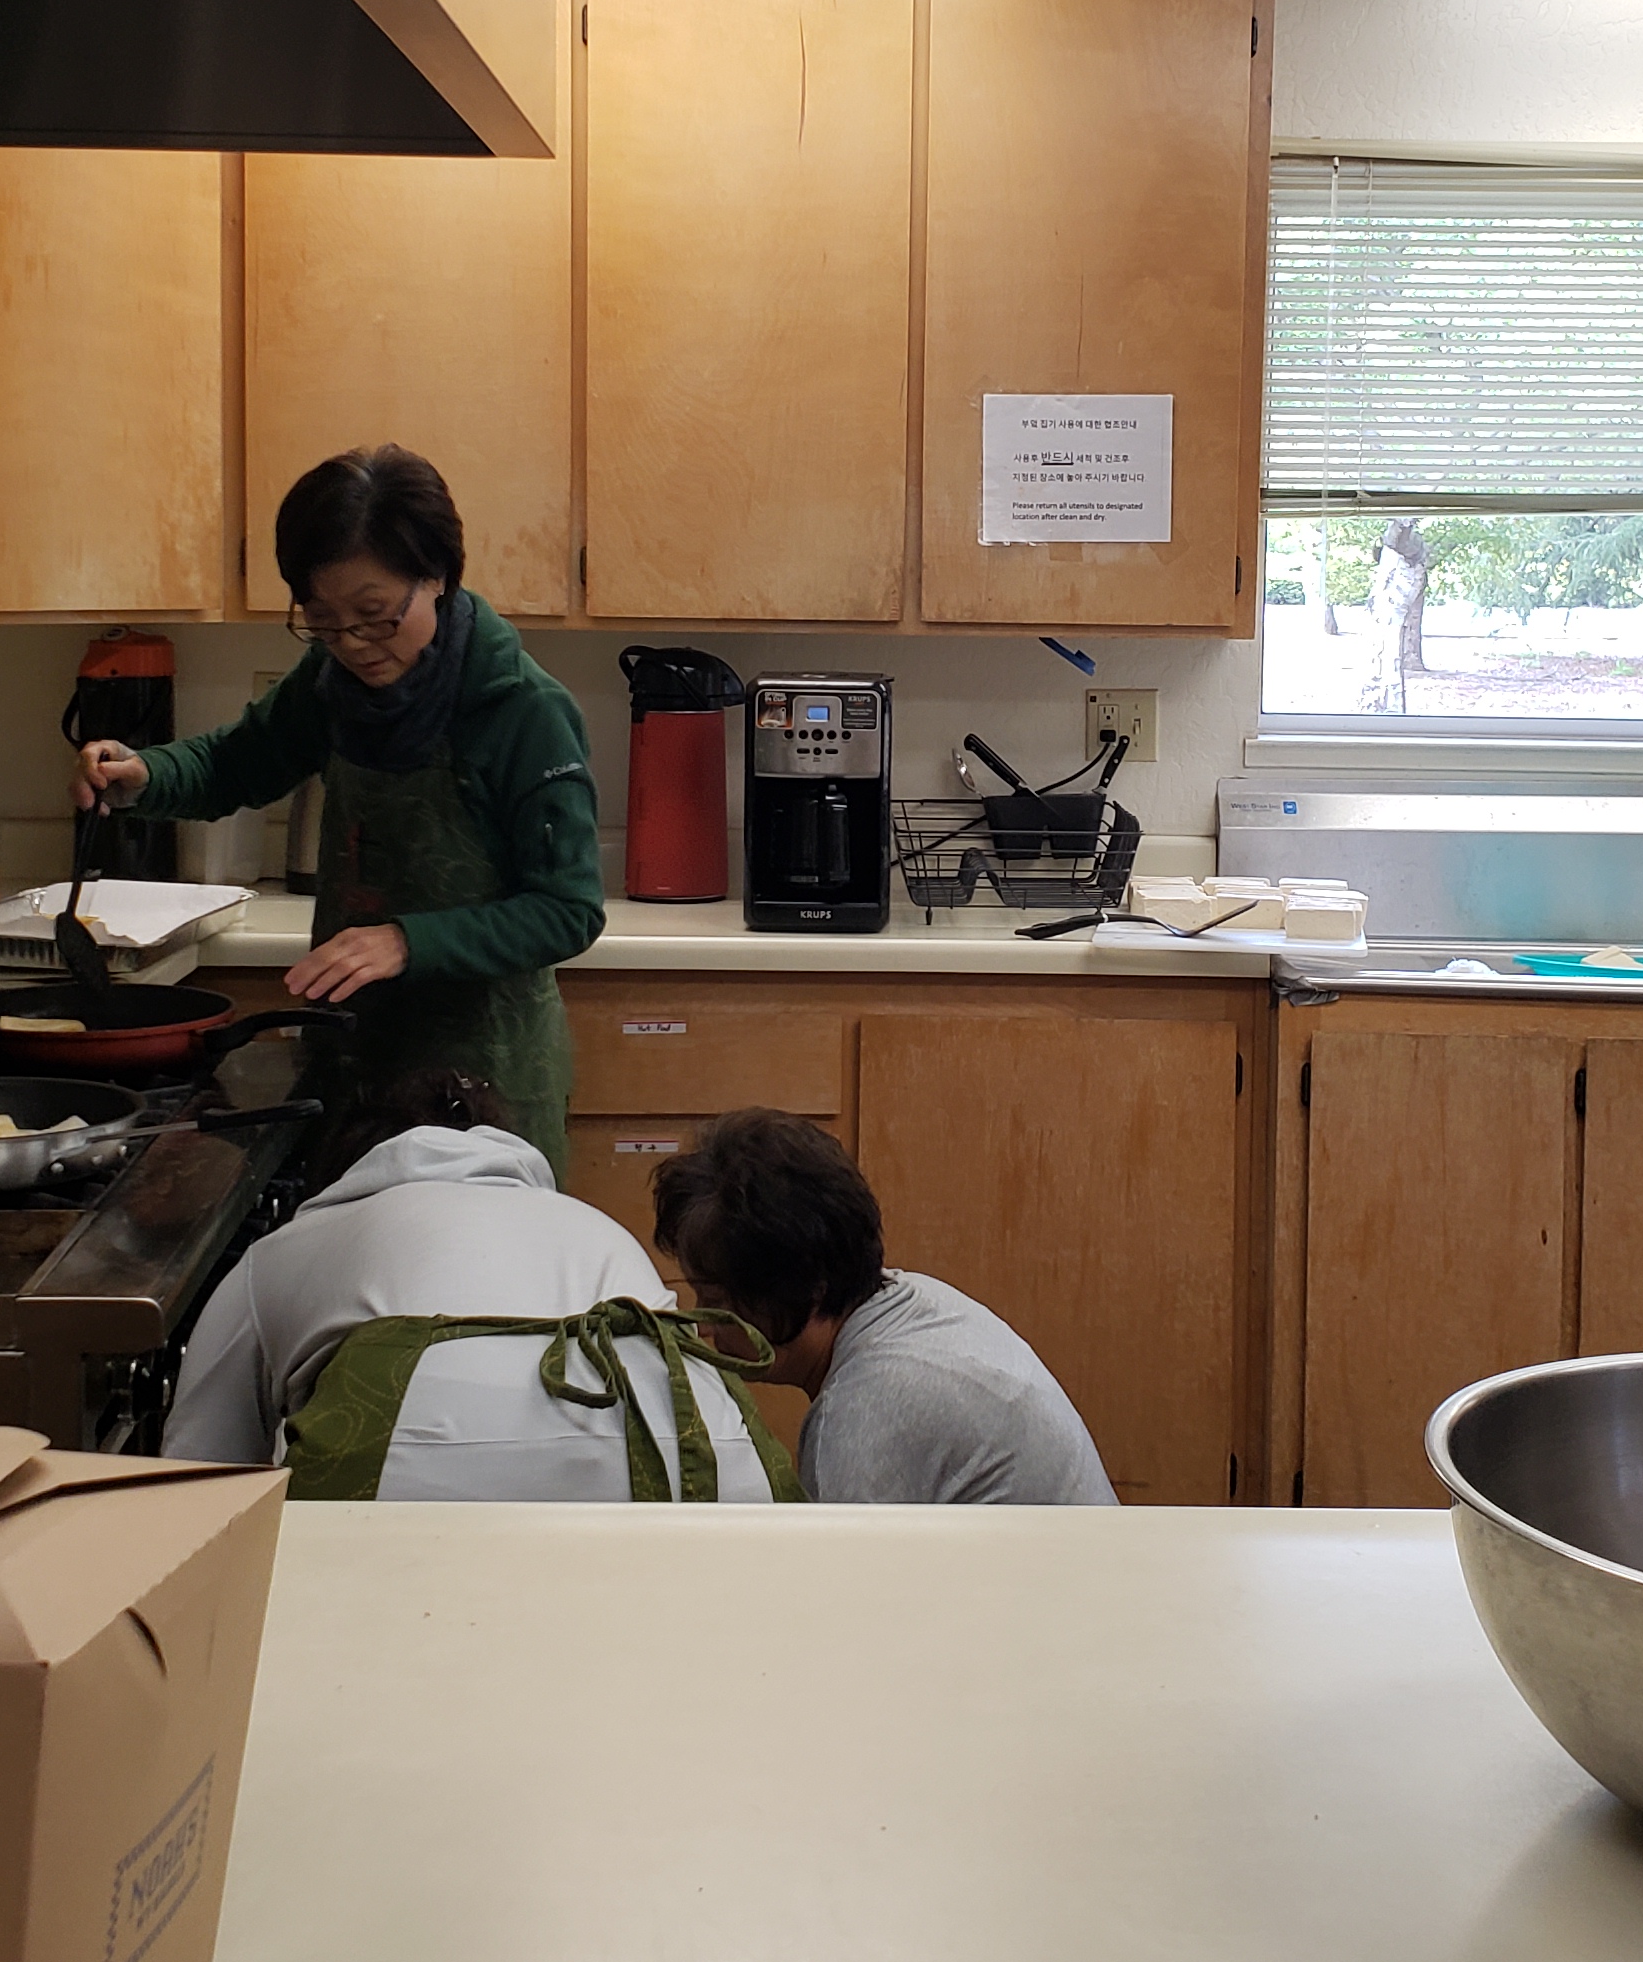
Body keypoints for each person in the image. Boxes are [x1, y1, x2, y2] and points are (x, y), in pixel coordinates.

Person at [77, 446, 601, 1173]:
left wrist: (407, 942)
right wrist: (145, 774)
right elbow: (237, 763)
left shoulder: (522, 710)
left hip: (484, 1079)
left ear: (438, 577)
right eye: (323, 620)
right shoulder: (329, 683)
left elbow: (567, 910)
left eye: (375, 616)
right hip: (353, 1056)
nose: (352, 645)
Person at [155, 1071, 658, 1468]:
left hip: (397, 1506)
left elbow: (198, 1469)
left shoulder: (281, 1253)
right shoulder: (604, 1231)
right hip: (652, 1492)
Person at [650, 1108, 1115, 1506]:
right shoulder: (914, 1300)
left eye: (715, 1301)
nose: (703, 1326)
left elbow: (847, 1585)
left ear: (807, 1287)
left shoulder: (862, 1414)